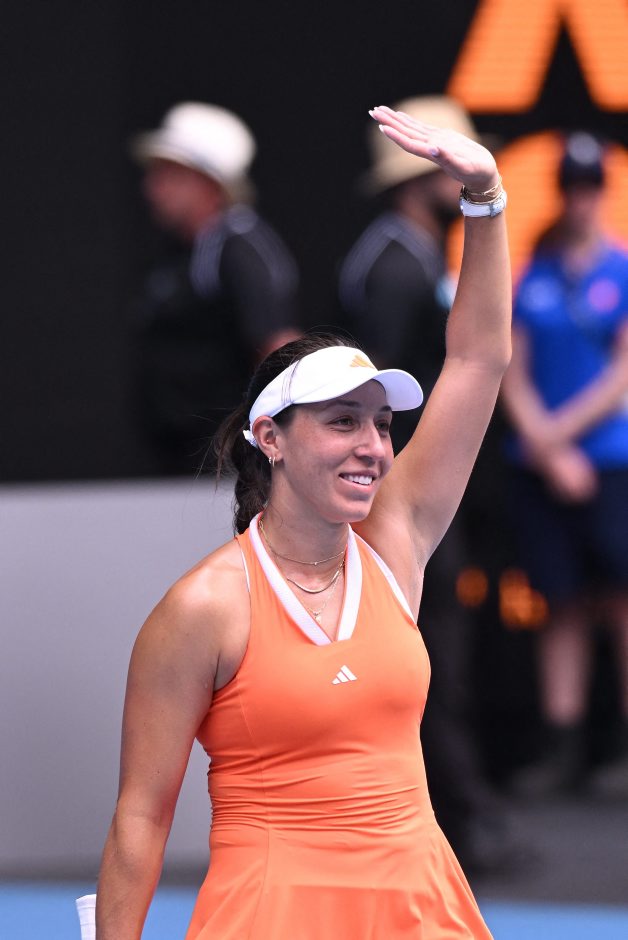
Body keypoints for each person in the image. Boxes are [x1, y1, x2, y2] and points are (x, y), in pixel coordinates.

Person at [96, 104, 511, 939]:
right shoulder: (204, 607)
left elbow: (477, 359)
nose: (373, 447)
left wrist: (486, 200)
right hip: (270, 917)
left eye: (381, 424)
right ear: (272, 438)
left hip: (423, 912)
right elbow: (141, 817)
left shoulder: (395, 542)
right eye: (342, 422)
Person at [339, 96, 519, 872]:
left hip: (423, 500)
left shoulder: (411, 255)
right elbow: (376, 396)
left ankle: (456, 822)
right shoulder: (392, 265)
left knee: (434, 658)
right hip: (402, 507)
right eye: (450, 166)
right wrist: (391, 490)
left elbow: (476, 359)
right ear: (419, 177)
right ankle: (452, 829)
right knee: (423, 663)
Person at [501, 131, 628, 797]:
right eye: (571, 188)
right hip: (543, 464)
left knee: (621, 602)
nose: (580, 200)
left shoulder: (621, 270)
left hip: (610, 460)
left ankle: (621, 748)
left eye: (590, 188)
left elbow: (622, 374)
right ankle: (564, 744)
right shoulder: (535, 274)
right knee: (561, 604)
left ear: (602, 193)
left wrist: (558, 438)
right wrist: (547, 448)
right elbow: (510, 369)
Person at [130, 102, 301, 473]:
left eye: (167, 174)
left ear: (207, 183)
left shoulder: (240, 247)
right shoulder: (182, 250)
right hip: (181, 462)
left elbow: (279, 349)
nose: (151, 188)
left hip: (226, 470)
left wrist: (281, 453)